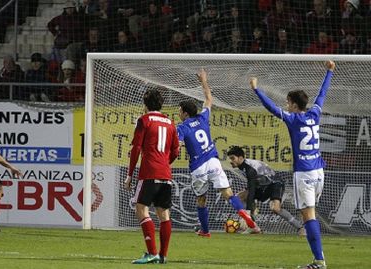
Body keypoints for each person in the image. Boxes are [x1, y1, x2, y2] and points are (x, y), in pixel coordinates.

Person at [250, 60, 336, 269]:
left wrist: (256, 89)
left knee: (308, 216)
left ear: (294, 104)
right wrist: (329, 72)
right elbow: (322, 94)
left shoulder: (292, 119)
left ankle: (319, 261)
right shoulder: (314, 114)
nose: (286, 105)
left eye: (288, 102)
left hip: (304, 174)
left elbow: (270, 107)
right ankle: (319, 259)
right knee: (310, 214)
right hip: (318, 171)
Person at [177, 69, 260, 238]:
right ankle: (247, 218)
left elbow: (177, 146)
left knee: (201, 200)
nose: (179, 114)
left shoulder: (182, 127)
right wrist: (204, 81)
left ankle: (205, 231)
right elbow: (208, 98)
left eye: (180, 111)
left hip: (198, 166)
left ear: (185, 113)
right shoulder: (203, 118)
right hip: (213, 161)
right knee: (229, 194)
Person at [124, 88, 180, 264]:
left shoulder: (144, 120)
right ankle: (163, 256)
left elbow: (136, 148)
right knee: (164, 214)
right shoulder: (170, 123)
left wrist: (130, 174)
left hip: (149, 172)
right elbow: (176, 151)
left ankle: (151, 253)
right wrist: (164, 163)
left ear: (145, 104)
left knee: (141, 209)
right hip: (165, 174)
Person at [227, 146, 305, 235]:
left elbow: (252, 190)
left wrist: (248, 212)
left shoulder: (249, 169)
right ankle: (254, 227)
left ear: (240, 158)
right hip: (263, 185)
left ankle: (300, 227)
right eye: (230, 158)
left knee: (275, 208)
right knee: (239, 197)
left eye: (233, 158)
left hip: (275, 184)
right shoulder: (243, 166)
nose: (231, 161)